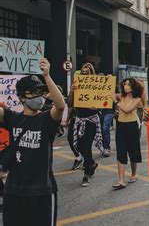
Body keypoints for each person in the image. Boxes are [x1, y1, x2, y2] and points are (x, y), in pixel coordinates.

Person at [0, 58, 65, 226]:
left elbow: (60, 106)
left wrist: (47, 75)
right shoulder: (12, 118)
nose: (38, 96)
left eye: (40, 92)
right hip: (14, 191)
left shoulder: (46, 120)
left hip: (42, 192)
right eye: (33, 92)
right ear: (22, 97)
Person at [67, 63, 103, 187]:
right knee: (77, 145)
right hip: (78, 119)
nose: (84, 74)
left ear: (91, 74)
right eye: (82, 72)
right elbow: (70, 104)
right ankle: (92, 163)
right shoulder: (76, 85)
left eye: (87, 72)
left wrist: (96, 106)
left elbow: (103, 102)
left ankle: (86, 174)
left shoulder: (96, 86)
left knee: (86, 146)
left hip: (91, 120)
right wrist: (72, 91)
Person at [112, 78, 146, 190]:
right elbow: (108, 94)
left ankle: (133, 173)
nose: (126, 86)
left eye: (128, 84)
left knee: (133, 151)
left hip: (132, 126)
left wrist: (116, 102)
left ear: (133, 86)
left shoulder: (137, 99)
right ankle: (121, 180)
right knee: (121, 151)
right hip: (120, 126)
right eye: (124, 84)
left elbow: (127, 110)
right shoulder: (120, 96)